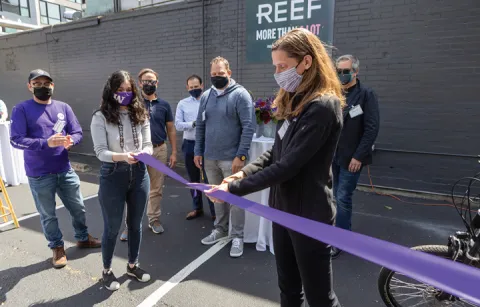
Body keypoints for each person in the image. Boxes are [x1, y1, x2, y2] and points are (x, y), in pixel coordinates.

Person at [205, 28, 344, 307]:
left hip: (309, 216)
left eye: (283, 66)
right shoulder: (295, 100)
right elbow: (276, 152)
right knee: (289, 289)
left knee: (320, 298)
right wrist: (243, 172)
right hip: (283, 209)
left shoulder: (322, 107)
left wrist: (232, 188)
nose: (278, 72)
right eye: (275, 66)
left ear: (307, 61)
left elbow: (288, 166)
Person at [10, 69, 101, 268]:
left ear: (53, 85)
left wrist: (71, 141)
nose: (43, 87)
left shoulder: (63, 107)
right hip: (39, 173)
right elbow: (16, 140)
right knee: (48, 214)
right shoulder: (22, 109)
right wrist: (45, 143)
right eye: (38, 83)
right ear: (30, 86)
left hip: (64, 168)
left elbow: (77, 132)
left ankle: (82, 237)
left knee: (78, 207)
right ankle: (57, 247)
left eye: (47, 83)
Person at [91, 70, 152, 291]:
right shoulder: (100, 117)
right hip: (112, 174)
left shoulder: (140, 113)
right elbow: (100, 152)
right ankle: (107, 271)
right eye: (120, 90)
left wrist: (143, 153)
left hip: (139, 174)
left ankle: (133, 266)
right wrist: (122, 157)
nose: (124, 94)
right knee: (112, 227)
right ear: (111, 91)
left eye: (128, 90)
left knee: (135, 225)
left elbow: (148, 144)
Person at [194, 56, 254, 258]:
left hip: (232, 159)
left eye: (220, 74)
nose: (217, 77)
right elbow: (200, 125)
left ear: (229, 73)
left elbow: (248, 126)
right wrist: (198, 151)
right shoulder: (205, 96)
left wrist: (241, 156)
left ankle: (237, 236)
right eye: (213, 74)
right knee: (217, 196)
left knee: (236, 199)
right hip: (210, 158)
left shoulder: (241, 95)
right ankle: (220, 229)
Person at [119, 68, 177, 240]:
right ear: (139, 83)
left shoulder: (164, 105)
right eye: (145, 81)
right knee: (134, 189)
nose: (149, 84)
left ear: (157, 83)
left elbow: (171, 130)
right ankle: (130, 226)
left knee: (156, 188)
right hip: (138, 152)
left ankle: (154, 219)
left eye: (152, 81)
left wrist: (174, 151)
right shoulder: (132, 103)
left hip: (159, 150)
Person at [332, 54, 380, 259]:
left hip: (352, 158)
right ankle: (339, 231)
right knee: (334, 196)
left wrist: (359, 156)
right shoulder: (335, 94)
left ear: (356, 71)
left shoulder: (366, 95)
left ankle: (341, 240)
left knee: (343, 197)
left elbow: (371, 128)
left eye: (346, 71)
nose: (342, 75)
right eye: (339, 71)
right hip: (333, 155)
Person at [175, 74, 216, 221]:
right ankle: (197, 207)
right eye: (191, 87)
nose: (194, 89)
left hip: (207, 144)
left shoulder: (209, 101)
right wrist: (193, 123)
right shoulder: (183, 103)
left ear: (202, 85)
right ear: (187, 88)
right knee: (194, 180)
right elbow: (178, 125)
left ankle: (214, 210)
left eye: (196, 87)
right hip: (190, 145)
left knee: (209, 179)